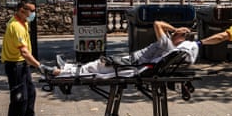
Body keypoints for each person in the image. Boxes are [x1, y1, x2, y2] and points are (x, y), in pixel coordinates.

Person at [43, 21, 197, 77]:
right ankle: (66, 67)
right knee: (95, 65)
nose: (175, 32)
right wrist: (178, 31)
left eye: (179, 33)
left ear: (181, 37)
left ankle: (60, 72)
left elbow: (157, 23)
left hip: (130, 64)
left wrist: (175, 28)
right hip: (132, 62)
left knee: (95, 67)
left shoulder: (166, 44)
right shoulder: (169, 46)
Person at [1, 0, 46, 116]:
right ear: (21, 10)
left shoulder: (22, 22)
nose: (33, 13)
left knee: (31, 92)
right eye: (31, 11)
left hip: (22, 64)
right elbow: (25, 52)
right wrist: (40, 66)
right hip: (15, 66)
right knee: (20, 99)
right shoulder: (16, 26)